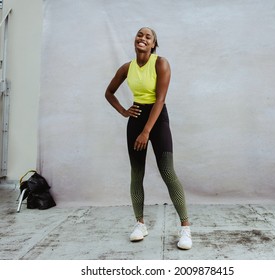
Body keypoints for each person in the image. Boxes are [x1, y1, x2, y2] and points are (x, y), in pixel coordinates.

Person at [105, 27, 192, 250]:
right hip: (136, 119)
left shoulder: (160, 63)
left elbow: (160, 99)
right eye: (139, 35)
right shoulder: (127, 67)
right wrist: (124, 111)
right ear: (135, 40)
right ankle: (140, 224)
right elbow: (109, 92)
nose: (142, 38)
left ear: (153, 44)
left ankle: (185, 229)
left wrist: (146, 131)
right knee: (137, 174)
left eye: (148, 36)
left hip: (157, 119)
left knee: (168, 172)